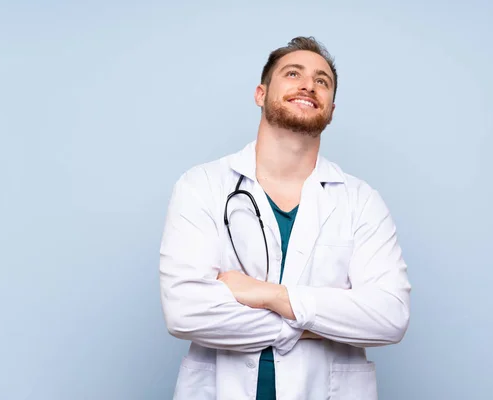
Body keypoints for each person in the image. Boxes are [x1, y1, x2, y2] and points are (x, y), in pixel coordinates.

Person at [159, 36, 411, 400]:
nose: (308, 84)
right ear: (260, 94)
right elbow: (185, 311)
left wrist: (269, 296)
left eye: (321, 81)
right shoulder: (202, 186)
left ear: (332, 108)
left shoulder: (360, 201)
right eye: (293, 74)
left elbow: (390, 316)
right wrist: (317, 321)